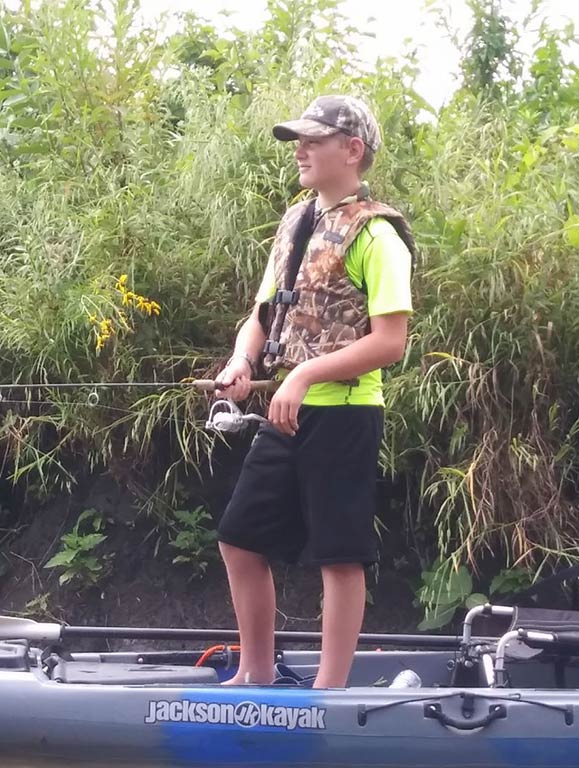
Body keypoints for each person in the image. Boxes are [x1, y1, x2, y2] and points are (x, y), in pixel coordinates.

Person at [213, 95, 416, 689]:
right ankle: (255, 673)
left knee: (339, 555)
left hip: (346, 414)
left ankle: (329, 692)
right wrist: (242, 360)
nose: (300, 150)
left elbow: (391, 342)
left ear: (352, 151)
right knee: (239, 540)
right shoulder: (295, 222)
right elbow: (261, 316)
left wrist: (302, 375)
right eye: (297, 141)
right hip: (286, 416)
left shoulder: (378, 235)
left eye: (313, 140)